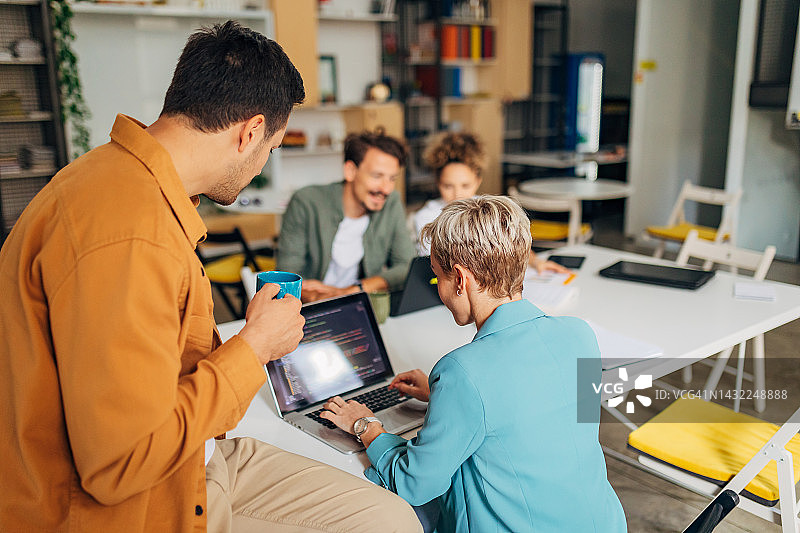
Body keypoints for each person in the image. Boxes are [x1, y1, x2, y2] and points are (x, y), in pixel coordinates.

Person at [0, 22, 421, 533]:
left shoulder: (131, 184)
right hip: (140, 499)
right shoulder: (130, 233)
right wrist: (254, 346)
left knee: (392, 517)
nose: (262, 164)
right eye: (271, 148)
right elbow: (122, 463)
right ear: (250, 132)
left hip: (199, 455)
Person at [321, 196, 627, 533]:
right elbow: (537, 415)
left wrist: (366, 426)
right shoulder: (579, 334)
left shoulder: (462, 372)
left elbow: (415, 483)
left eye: (437, 278)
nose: (439, 290)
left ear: (460, 279)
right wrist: (441, 397)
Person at [277, 129, 415, 302]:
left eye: (392, 178)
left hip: (360, 304)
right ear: (350, 171)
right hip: (309, 307)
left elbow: (407, 266)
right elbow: (287, 275)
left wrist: (352, 291)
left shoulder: (391, 202)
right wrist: (324, 298)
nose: (386, 189)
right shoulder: (306, 202)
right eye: (377, 176)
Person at [414, 131, 568, 274]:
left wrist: (537, 262)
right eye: (448, 186)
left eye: (465, 185)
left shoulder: (488, 209)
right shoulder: (426, 217)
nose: (457, 194)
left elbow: (512, 244)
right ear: (438, 182)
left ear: (478, 181)